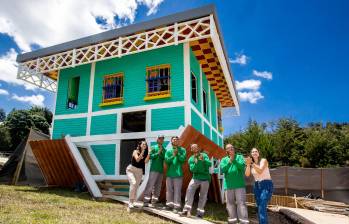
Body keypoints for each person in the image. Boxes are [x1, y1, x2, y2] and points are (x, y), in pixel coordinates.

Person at [179, 144, 211, 218]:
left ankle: (200, 213)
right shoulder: (191, 159)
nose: (195, 148)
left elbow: (209, 164)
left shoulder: (204, 155)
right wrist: (196, 163)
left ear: (198, 148)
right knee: (189, 191)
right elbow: (192, 170)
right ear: (191, 150)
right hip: (195, 178)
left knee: (203, 196)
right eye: (193, 147)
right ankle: (186, 211)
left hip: (205, 178)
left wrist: (203, 160)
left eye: (196, 147)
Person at [220, 144, 249, 224]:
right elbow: (222, 170)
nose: (230, 149)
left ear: (234, 149)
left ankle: (244, 222)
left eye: (232, 148)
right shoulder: (224, 159)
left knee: (241, 204)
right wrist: (230, 161)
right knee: (229, 204)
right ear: (226, 151)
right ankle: (233, 221)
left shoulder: (239, 157)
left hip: (239, 185)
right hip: (228, 185)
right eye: (228, 148)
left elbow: (242, 168)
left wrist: (234, 160)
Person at [245, 148, 273, 224]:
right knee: (259, 206)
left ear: (258, 153)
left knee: (262, 206)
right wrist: (248, 164)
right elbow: (247, 174)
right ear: (251, 154)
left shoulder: (263, 160)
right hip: (257, 186)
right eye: (253, 151)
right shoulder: (251, 165)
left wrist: (252, 163)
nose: (254, 152)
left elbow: (260, 171)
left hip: (266, 184)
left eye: (256, 151)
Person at [164, 136, 186, 213]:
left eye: (177, 139)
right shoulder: (168, 151)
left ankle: (176, 207)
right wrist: (173, 155)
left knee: (177, 191)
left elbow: (183, 159)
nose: (175, 140)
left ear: (178, 141)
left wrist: (178, 154)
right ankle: (169, 205)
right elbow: (167, 161)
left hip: (178, 174)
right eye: (174, 139)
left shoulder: (182, 150)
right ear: (171, 141)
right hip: (169, 174)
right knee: (169, 191)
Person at [126, 140, 150, 211]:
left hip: (139, 171)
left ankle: (132, 203)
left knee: (136, 186)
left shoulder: (145, 153)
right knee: (133, 183)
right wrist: (142, 152)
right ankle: (130, 202)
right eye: (143, 144)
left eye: (145, 144)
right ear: (140, 145)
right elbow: (137, 160)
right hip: (131, 170)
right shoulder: (135, 151)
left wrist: (148, 154)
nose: (144, 145)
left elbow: (145, 162)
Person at [143, 135, 166, 207]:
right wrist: (158, 153)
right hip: (153, 169)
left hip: (161, 170)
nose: (161, 140)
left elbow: (164, 158)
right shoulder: (153, 147)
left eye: (162, 139)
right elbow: (150, 156)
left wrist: (161, 152)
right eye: (160, 139)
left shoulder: (164, 149)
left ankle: (154, 202)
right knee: (150, 185)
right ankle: (146, 202)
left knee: (158, 187)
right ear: (157, 139)